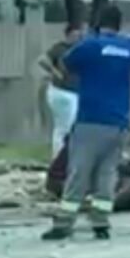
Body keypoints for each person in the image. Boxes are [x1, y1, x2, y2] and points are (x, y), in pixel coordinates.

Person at [42, 4, 130, 241]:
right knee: (107, 173)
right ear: (120, 24)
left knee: (79, 172)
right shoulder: (129, 46)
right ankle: (101, 222)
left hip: (91, 119)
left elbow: (67, 62)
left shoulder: (90, 46)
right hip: (120, 123)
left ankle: (64, 223)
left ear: (96, 23)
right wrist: (121, 41)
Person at [39, 24, 82, 159]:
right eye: (76, 35)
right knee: (66, 126)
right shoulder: (60, 48)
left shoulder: (80, 49)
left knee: (65, 126)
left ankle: (61, 156)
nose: (79, 38)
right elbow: (42, 60)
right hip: (62, 91)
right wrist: (54, 72)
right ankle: (60, 157)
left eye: (80, 36)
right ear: (68, 35)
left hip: (74, 92)